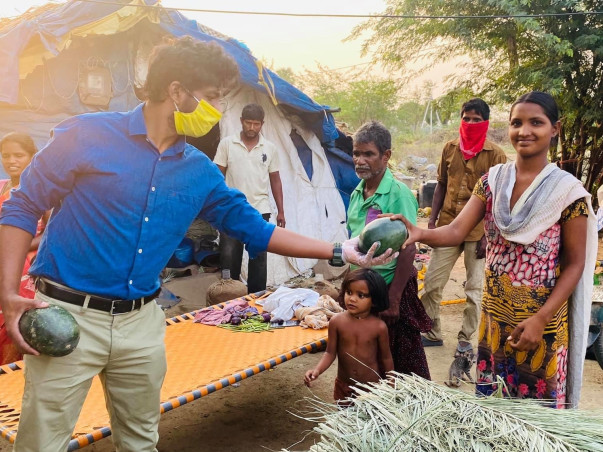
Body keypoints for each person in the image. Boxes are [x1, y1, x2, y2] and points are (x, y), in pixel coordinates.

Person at [0, 37, 396, 452]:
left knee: (139, 442)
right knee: (41, 444)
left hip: (140, 324)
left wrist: (339, 251)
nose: (216, 111)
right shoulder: (86, 135)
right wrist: (9, 293)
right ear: (176, 92)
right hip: (67, 316)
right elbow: (22, 206)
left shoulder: (200, 172)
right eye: (210, 99)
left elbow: (257, 231)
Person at [393, 91, 597, 408]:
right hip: (495, 321)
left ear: (554, 128)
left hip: (541, 324)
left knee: (535, 417)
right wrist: (418, 231)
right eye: (517, 122)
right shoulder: (493, 182)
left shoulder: (566, 192)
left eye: (536, 122)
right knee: (496, 415)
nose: (524, 131)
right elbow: (457, 230)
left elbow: (575, 264)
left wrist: (541, 319)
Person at [421, 98, 507, 359]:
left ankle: (465, 338)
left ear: (486, 123)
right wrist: (432, 221)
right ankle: (432, 331)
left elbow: (499, 199)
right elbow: (441, 185)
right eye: (466, 118)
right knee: (433, 282)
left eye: (476, 120)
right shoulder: (449, 148)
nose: (470, 123)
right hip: (448, 225)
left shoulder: (497, 155)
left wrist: (488, 236)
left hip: (478, 232)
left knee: (474, 289)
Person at [347, 121, 432, 379]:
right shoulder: (356, 193)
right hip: (364, 291)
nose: (360, 160)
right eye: (356, 153)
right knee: (366, 361)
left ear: (386, 156)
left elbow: (408, 248)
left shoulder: (399, 194)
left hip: (389, 290)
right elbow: (355, 242)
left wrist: (393, 300)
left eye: (368, 154)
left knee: (399, 366)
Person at [214, 103, 285, 293]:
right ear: (241, 122)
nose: (251, 128)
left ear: (262, 124)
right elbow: (217, 176)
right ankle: (230, 295)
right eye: (248, 123)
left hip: (259, 210)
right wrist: (216, 205)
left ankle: (257, 298)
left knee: (259, 257)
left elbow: (275, 180)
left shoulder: (269, 148)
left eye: (256, 124)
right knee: (229, 255)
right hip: (231, 209)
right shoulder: (227, 144)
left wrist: (281, 211)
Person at [304, 268, 394, 403]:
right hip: (344, 385)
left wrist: (391, 380)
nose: (352, 299)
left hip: (370, 388)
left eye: (361, 295)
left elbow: (386, 357)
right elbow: (329, 353)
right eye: (349, 292)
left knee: (368, 420)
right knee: (344, 418)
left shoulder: (379, 327)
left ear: (374, 300)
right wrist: (317, 370)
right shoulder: (336, 322)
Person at [0, 132, 48, 365]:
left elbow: (51, 232)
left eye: (19, 155)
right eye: (6, 155)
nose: (11, 161)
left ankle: (14, 372)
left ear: (33, 157)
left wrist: (16, 246)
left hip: (25, 265)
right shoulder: (1, 187)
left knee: (19, 321)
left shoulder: (40, 191)